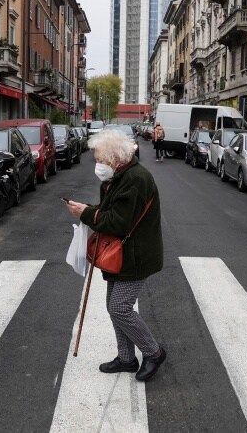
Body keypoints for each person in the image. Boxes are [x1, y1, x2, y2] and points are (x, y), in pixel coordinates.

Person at [64, 129, 166, 382]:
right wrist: (88, 210)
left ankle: (153, 353)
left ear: (115, 158)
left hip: (135, 254)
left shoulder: (136, 179)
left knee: (119, 308)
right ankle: (126, 358)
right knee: (115, 308)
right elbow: (110, 210)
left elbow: (118, 222)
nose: (98, 165)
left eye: (100, 160)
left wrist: (86, 214)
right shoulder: (120, 177)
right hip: (121, 253)